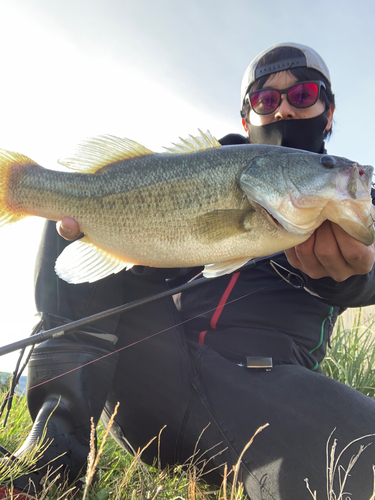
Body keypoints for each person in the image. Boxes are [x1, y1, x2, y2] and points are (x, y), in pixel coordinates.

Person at [2, 42, 375, 500]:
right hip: (153, 379)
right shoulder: (205, 169)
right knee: (73, 216)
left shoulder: (351, 199)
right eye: (265, 99)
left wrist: (354, 276)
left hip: (269, 400)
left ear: (329, 111)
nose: (282, 109)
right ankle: (48, 465)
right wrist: (139, 254)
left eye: (302, 95)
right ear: (246, 118)